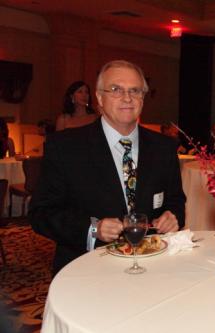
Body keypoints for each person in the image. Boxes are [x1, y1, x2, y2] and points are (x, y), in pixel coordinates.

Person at [29, 60, 186, 274]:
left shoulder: (164, 147)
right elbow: (42, 213)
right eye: (116, 89)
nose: (127, 98)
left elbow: (176, 200)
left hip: (152, 266)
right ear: (99, 98)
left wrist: (172, 216)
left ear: (142, 98)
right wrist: (92, 229)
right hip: (86, 269)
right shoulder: (65, 147)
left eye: (135, 90)